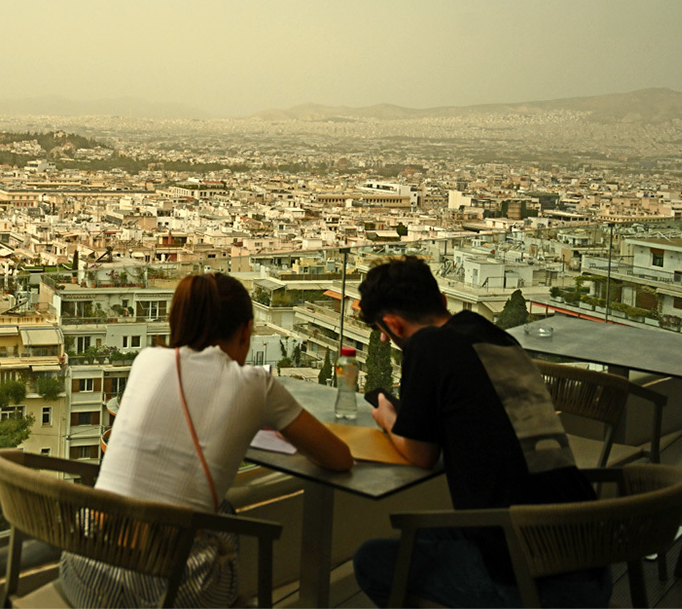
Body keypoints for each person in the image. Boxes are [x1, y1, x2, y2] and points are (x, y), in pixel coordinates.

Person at [59, 272, 353, 607]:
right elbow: (339, 458)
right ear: (245, 331)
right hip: (173, 596)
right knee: (224, 517)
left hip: (86, 578)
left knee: (219, 508)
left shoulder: (146, 360)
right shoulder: (257, 386)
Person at [352, 256, 611, 607]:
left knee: (372, 560)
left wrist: (387, 418)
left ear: (394, 325)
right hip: (587, 553)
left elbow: (420, 455)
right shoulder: (489, 333)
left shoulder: (426, 345)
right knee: (430, 535)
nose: (384, 340)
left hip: (529, 579)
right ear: (442, 300)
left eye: (382, 331)